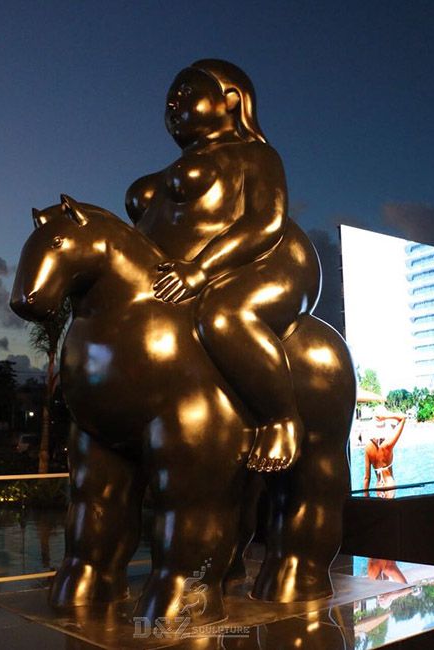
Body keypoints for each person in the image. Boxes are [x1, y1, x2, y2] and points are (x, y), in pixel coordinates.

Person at [125, 60, 322, 471]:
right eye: (169, 100)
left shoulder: (255, 155)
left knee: (223, 313)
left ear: (231, 100)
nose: (174, 103)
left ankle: (281, 418)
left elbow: (265, 221)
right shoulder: (159, 178)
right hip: (181, 276)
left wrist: (200, 269)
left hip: (267, 265)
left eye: (186, 92)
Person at [363, 409, 406, 497]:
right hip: (389, 484)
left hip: (379, 486)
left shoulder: (368, 448)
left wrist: (366, 497)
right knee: (391, 510)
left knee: (381, 510)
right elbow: (403, 418)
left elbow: (367, 478)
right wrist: (386, 416)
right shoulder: (388, 445)